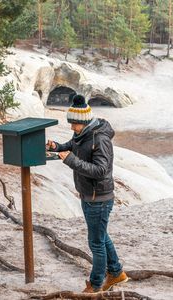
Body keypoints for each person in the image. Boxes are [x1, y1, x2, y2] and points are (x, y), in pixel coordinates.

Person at [46, 94, 128, 293]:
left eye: (74, 124)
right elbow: (73, 145)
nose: (72, 127)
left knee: (96, 243)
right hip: (89, 195)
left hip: (98, 198)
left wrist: (71, 160)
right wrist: (58, 147)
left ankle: (96, 285)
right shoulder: (82, 133)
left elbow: (101, 170)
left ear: (84, 122)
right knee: (101, 236)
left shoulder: (100, 140)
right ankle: (116, 273)